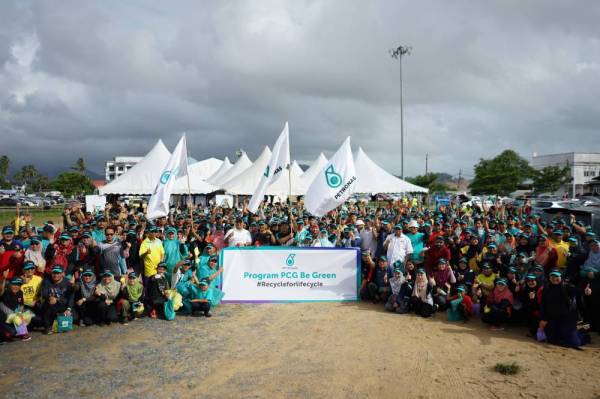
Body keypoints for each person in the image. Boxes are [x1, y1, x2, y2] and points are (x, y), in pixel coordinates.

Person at [539, 270, 582, 348]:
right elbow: (543, 304)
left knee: (574, 343)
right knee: (551, 339)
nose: (554, 278)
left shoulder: (566, 286)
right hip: (552, 318)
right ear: (549, 277)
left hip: (566, 318)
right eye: (552, 276)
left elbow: (578, 291)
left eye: (557, 276)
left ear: (561, 277)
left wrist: (586, 292)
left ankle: (582, 333)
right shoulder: (547, 287)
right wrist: (543, 318)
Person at [40, 266, 74, 335]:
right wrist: (50, 297)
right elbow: (43, 293)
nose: (56, 275)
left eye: (58, 273)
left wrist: (69, 309)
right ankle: (48, 326)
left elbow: (71, 297)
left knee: (74, 317)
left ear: (62, 274)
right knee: (47, 305)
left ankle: (57, 324)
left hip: (63, 305)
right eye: (54, 273)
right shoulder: (46, 281)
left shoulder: (67, 282)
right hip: (51, 304)